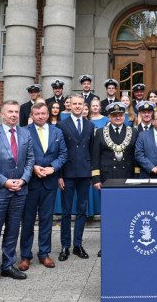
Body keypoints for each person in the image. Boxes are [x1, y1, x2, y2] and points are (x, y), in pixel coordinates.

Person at [0, 100, 35, 289]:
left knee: (13, 231)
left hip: (20, 190)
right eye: (9, 111)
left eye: (16, 111)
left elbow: (30, 160)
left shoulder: (25, 134)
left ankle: (7, 265)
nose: (13, 115)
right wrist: (4, 181)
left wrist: (24, 179)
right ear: (2, 114)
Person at [18, 102, 67, 271]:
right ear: (31, 115)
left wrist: (53, 167)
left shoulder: (57, 131)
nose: (40, 116)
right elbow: (19, 156)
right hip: (30, 183)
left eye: (43, 113)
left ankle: (44, 253)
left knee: (47, 220)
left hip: (49, 183)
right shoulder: (23, 131)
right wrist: (32, 168)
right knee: (28, 221)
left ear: (48, 114)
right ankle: (25, 255)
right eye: (37, 113)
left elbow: (63, 154)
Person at [93, 102, 140, 256]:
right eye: (114, 115)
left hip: (127, 178)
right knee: (108, 214)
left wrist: (137, 178)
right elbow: (95, 157)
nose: (118, 117)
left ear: (124, 116)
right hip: (108, 179)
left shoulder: (133, 131)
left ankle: (126, 243)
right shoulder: (100, 132)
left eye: (120, 115)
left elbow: (136, 157)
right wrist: (96, 178)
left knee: (127, 213)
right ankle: (106, 245)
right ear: (109, 117)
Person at [56, 94, 95, 262]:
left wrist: (93, 173)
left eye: (80, 104)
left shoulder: (90, 125)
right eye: (75, 104)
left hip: (85, 174)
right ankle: (65, 245)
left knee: (81, 210)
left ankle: (77, 244)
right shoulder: (61, 125)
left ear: (84, 106)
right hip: (68, 173)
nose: (78, 106)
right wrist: (59, 175)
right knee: (66, 211)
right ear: (69, 106)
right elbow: (58, 152)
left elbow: (92, 151)